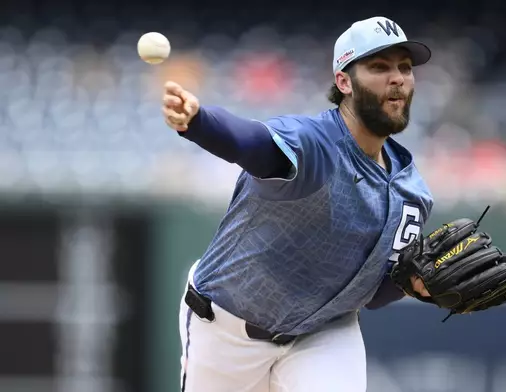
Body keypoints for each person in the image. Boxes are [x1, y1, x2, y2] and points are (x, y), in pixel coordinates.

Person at [162, 16, 433, 392]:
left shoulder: (413, 193)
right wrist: (199, 122)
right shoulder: (314, 144)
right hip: (226, 329)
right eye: (379, 66)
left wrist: (413, 283)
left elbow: (374, 294)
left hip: (323, 333)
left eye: (405, 67)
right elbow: (252, 143)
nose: (398, 78)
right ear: (344, 82)